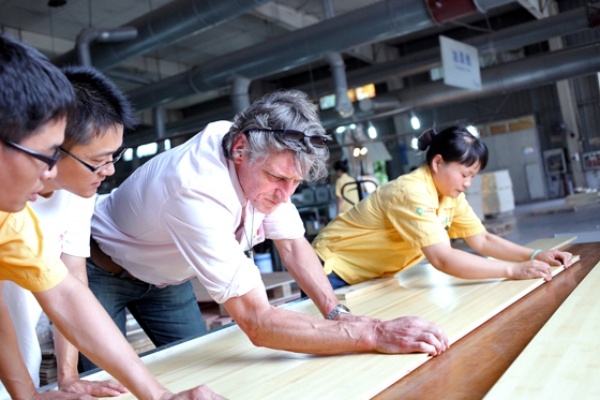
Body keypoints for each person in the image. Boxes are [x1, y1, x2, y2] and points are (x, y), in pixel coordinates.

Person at [83, 89, 448, 372]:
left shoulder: (260, 154)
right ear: (239, 148)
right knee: (103, 382)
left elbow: (292, 246)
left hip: (168, 280)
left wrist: (336, 312)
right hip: (102, 269)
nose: (285, 194)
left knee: (199, 367)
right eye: (277, 178)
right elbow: (257, 323)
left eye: (295, 182)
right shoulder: (194, 187)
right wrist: (374, 333)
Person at [0, 33, 222, 399]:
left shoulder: (10, 219)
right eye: (47, 154)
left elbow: (66, 292)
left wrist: (160, 395)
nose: (48, 174)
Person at [1, 64, 138, 399]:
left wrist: (67, 376)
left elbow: (68, 286)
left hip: (17, 363)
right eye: (99, 160)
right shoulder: (10, 200)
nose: (109, 170)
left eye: (114, 156)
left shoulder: (77, 195)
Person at [313, 125, 573, 289]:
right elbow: (443, 258)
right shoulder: (411, 192)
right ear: (438, 163)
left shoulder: (450, 195)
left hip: (371, 272)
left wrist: (534, 255)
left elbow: (482, 239)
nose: (468, 183)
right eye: (465, 174)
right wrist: (512, 270)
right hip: (332, 268)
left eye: (473, 176)